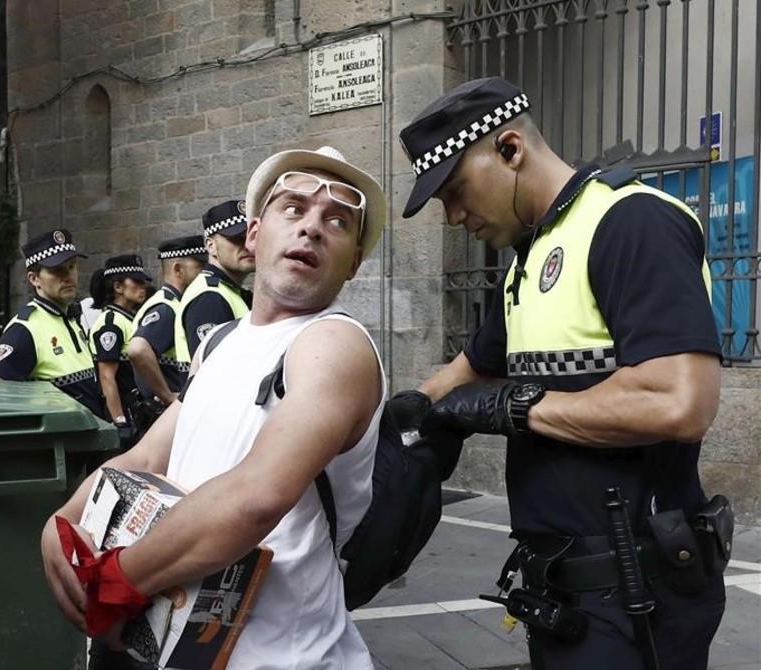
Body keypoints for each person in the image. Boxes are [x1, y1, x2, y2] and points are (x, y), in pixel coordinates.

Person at [395, 77, 726, 669]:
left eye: (454, 190)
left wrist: (513, 407)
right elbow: (471, 368)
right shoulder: (525, 260)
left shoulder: (630, 223)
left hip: (638, 595)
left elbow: (679, 403)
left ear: (510, 149)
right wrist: (406, 413)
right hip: (562, 595)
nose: (452, 217)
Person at [41, 146, 389, 669]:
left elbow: (256, 496)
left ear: (353, 263)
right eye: (293, 209)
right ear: (254, 235)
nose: (312, 228)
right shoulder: (222, 341)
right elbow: (145, 459)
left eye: (337, 221)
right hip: (174, 642)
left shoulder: (333, 343)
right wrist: (64, 522)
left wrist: (115, 583)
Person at [0, 229, 106, 419]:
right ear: (34, 279)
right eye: (57, 270)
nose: (69, 276)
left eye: (72, 266)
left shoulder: (70, 317)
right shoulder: (25, 328)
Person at [126, 235, 207, 407]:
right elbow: (138, 350)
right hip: (163, 411)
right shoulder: (167, 308)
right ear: (178, 270)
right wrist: (168, 396)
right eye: (201, 266)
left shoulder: (174, 302)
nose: (206, 272)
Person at [173, 200, 256, 362]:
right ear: (211, 246)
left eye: (252, 237)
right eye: (237, 238)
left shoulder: (226, 291)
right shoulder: (209, 298)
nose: (248, 246)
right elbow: (216, 373)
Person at [87, 254, 153, 444]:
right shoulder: (111, 324)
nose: (143, 287)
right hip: (123, 411)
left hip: (136, 408)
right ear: (118, 287)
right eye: (137, 282)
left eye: (144, 282)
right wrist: (120, 422)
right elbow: (107, 376)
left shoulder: (126, 319)